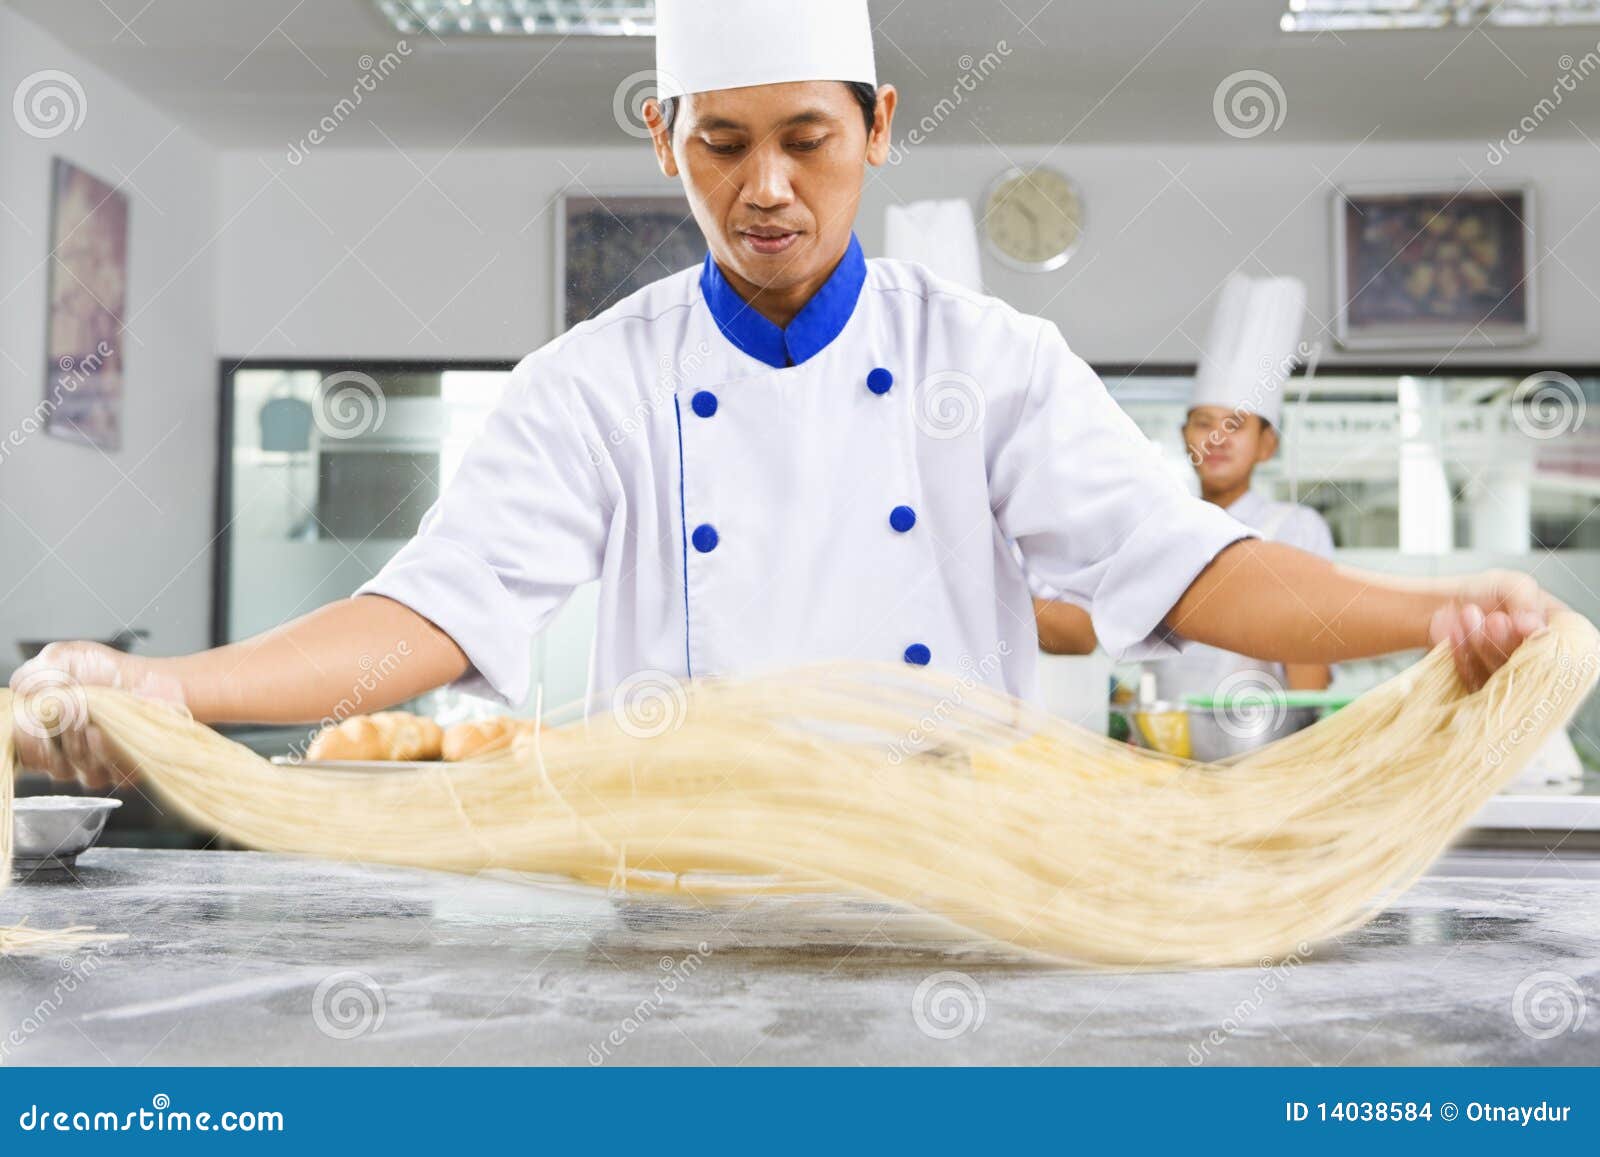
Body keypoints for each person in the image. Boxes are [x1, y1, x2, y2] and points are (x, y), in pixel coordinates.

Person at [12, 0, 1557, 790]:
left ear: (879, 125)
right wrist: (173, 689)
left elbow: (1191, 569)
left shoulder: (992, 362)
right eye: (721, 142)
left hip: (968, 890)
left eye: (807, 140)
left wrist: (1433, 613)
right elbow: (432, 612)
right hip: (682, 898)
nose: (764, 188)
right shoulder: (597, 383)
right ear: (659, 133)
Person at [1035, 275, 1340, 700]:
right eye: (1203, 423)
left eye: (1236, 426)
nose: (1217, 439)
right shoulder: (1158, 527)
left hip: (1265, 734)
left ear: (1266, 445)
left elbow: (1310, 653)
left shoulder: (1296, 528)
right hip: (1167, 732)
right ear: (1184, 436)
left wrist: (1306, 734)